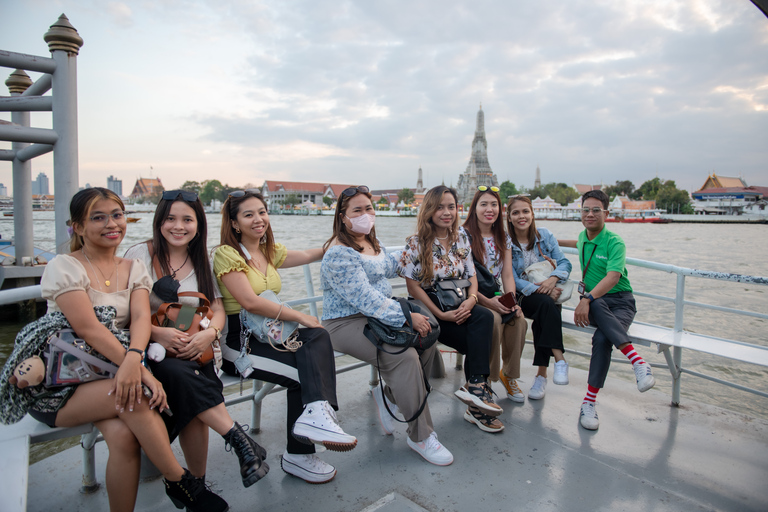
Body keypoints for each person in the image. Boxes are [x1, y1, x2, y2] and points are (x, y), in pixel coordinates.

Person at [30, 188, 226, 512]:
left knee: (123, 436)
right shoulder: (64, 266)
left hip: (111, 373)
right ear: (76, 227)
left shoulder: (132, 267)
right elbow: (88, 328)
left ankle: (179, 484)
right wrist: (137, 367)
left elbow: (139, 319)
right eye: (98, 217)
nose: (112, 224)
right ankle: (181, 480)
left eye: (117, 215)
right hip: (61, 382)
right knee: (137, 394)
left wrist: (134, 361)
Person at [124, 189, 268, 489]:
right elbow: (126, 314)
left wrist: (209, 335)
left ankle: (198, 482)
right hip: (152, 354)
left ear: (198, 224)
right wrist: (158, 332)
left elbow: (216, 309)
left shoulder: (202, 259)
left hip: (195, 349)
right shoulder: (140, 255)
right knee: (184, 379)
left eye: (187, 219)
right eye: (171, 219)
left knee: (191, 383)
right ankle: (239, 442)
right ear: (159, 222)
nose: (179, 226)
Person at [214, 189, 356, 484]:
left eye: (262, 212)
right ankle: (299, 455)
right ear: (235, 223)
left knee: (317, 336)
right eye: (249, 214)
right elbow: (250, 302)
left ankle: (319, 413)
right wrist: (300, 315)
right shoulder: (226, 254)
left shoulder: (269, 252)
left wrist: (345, 244)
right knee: (302, 373)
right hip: (238, 342)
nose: (258, 219)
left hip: (268, 333)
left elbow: (308, 254)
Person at [320, 185, 454, 465]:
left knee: (426, 339)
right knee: (403, 356)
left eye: (368, 208)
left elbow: (396, 265)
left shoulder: (371, 244)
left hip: (377, 315)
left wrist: (425, 244)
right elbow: (365, 299)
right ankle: (421, 435)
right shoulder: (339, 254)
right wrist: (408, 317)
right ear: (343, 217)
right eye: (357, 210)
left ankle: (389, 396)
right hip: (345, 322)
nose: (365, 214)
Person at [399, 185, 504, 433]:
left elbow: (472, 277)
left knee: (484, 316)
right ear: (429, 210)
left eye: (451, 207)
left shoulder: (462, 238)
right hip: (431, 311)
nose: (447, 213)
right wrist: (440, 313)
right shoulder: (416, 243)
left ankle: (476, 388)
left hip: (460, 304)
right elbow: (413, 288)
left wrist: (472, 299)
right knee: (476, 343)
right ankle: (478, 404)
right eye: (440, 207)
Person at [560, 190, 655, 431]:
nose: (590, 214)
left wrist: (586, 299)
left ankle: (589, 402)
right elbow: (575, 243)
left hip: (621, 302)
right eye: (585, 210)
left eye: (595, 210)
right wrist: (545, 239)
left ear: (606, 214)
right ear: (580, 213)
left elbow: (613, 277)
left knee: (602, 337)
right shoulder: (583, 237)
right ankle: (637, 361)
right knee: (597, 304)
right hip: (596, 303)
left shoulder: (615, 242)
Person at [461, 186, 528, 403]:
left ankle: (508, 375)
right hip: (472, 296)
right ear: (474, 208)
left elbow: (508, 274)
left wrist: (512, 300)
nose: (489, 209)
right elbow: (462, 279)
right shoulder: (464, 236)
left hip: (495, 294)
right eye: (484, 204)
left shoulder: (503, 237)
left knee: (518, 321)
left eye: (494, 204)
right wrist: (487, 301)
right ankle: (484, 381)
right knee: (493, 319)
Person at [507, 195, 572, 401]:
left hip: (548, 290)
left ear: (532, 214)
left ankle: (542, 376)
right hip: (521, 295)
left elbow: (564, 263)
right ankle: (558, 360)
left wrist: (551, 280)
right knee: (547, 304)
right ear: (508, 217)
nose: (521, 216)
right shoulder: (506, 240)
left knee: (546, 309)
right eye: (515, 212)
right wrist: (538, 289)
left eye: (525, 211)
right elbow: (511, 277)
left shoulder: (544, 236)